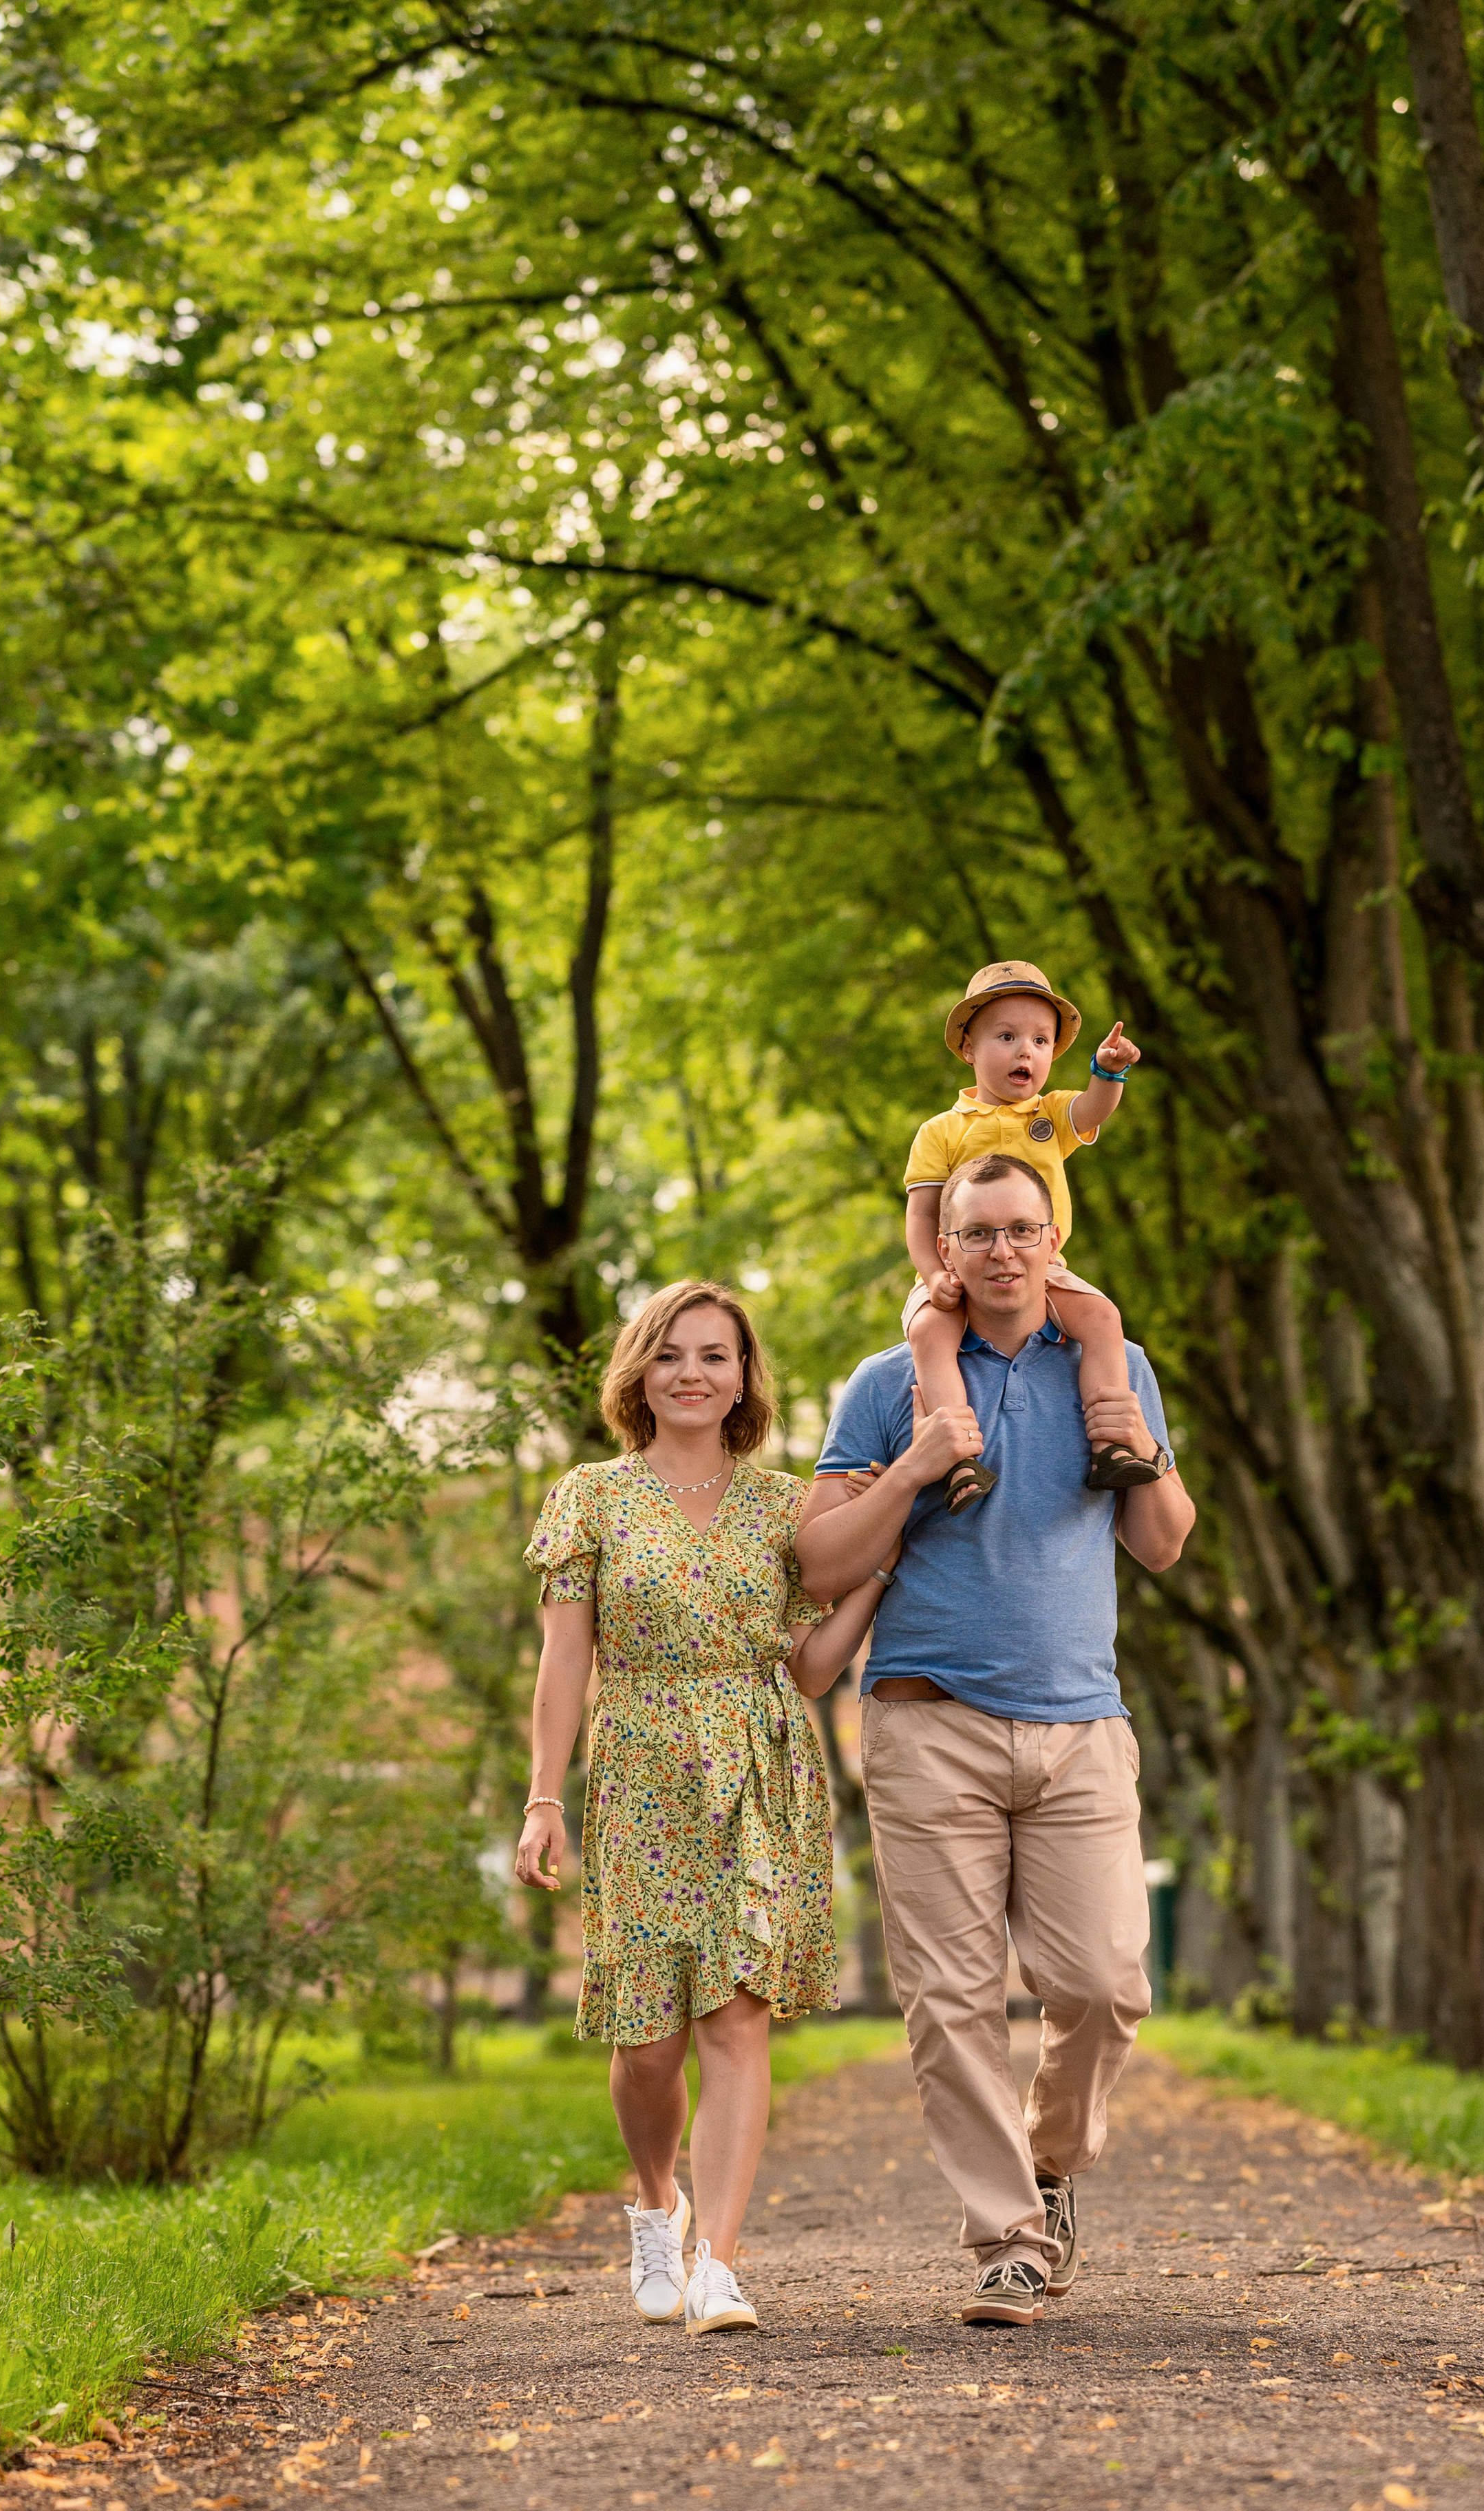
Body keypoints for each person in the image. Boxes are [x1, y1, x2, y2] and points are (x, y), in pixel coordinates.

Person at [796, 1154, 1196, 2326]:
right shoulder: (887, 1383)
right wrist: (917, 1468)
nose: (1003, 1251)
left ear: (1054, 1239)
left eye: (1024, 1229)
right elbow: (819, 1564)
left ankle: (1049, 2166)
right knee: (950, 1999)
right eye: (980, 1232)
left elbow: (1163, 1543)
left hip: (1081, 1724)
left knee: (1106, 1983)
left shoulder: (1115, 1365)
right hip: (926, 1722)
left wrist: (1130, 1421)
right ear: (948, 1248)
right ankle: (1007, 2242)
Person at [513, 1280, 891, 2337]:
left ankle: (719, 2263)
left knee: (734, 2013)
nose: (691, 1372)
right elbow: (564, 1663)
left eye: (714, 1355)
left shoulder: (788, 1507)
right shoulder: (590, 1498)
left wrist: (874, 1573)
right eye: (671, 1353)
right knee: (646, 2041)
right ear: (639, 1373)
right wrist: (544, 1797)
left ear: (742, 1379)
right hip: (639, 1769)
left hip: (760, 1770)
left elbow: (811, 1669)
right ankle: (655, 2204)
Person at [902, 959, 1160, 1514]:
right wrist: (933, 1275)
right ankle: (957, 1458)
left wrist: (1107, 1072)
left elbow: (1094, 1108)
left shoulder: (1051, 1113)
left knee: (1103, 1319)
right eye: (1007, 1037)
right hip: (962, 1269)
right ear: (968, 1048)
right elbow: (922, 1217)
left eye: (1041, 1041)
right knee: (928, 1332)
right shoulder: (942, 1131)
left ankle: (1111, 1447)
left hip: (1042, 1269)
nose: (1026, 1051)